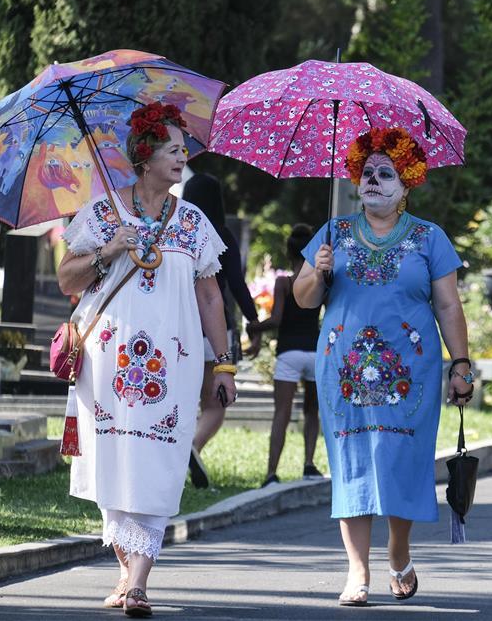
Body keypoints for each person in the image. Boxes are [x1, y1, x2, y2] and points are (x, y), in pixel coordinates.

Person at [57, 102, 237, 617]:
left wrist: (222, 363)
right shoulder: (101, 211)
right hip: (104, 363)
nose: (184, 156)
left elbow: (210, 297)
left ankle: (137, 582)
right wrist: (109, 248)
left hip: (172, 366)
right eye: (173, 149)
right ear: (144, 156)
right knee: (112, 463)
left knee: (159, 462)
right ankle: (126, 572)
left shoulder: (194, 222)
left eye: (184, 149)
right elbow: (68, 279)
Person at [293, 127, 474, 606]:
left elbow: (450, 307)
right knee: (352, 462)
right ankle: (357, 572)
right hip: (345, 371)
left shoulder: (429, 238)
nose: (373, 180)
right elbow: (303, 298)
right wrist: (318, 270)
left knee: (399, 460)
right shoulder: (331, 234)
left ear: (407, 183)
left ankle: (398, 549)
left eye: (386, 173)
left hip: (410, 374)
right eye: (367, 172)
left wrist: (461, 364)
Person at [183, 173, 261, 488]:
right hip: (217, 331)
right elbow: (238, 287)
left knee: (184, 399)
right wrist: (254, 323)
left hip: (183, 327)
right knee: (215, 404)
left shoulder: (180, 233)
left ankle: (184, 452)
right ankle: (194, 447)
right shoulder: (224, 236)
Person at [247, 224, 323, 488]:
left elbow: (277, 319)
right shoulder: (319, 280)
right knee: (312, 413)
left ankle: (271, 473)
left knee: (282, 413)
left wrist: (253, 326)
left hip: (289, 353)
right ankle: (309, 465)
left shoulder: (285, 283)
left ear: (288, 253)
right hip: (314, 352)